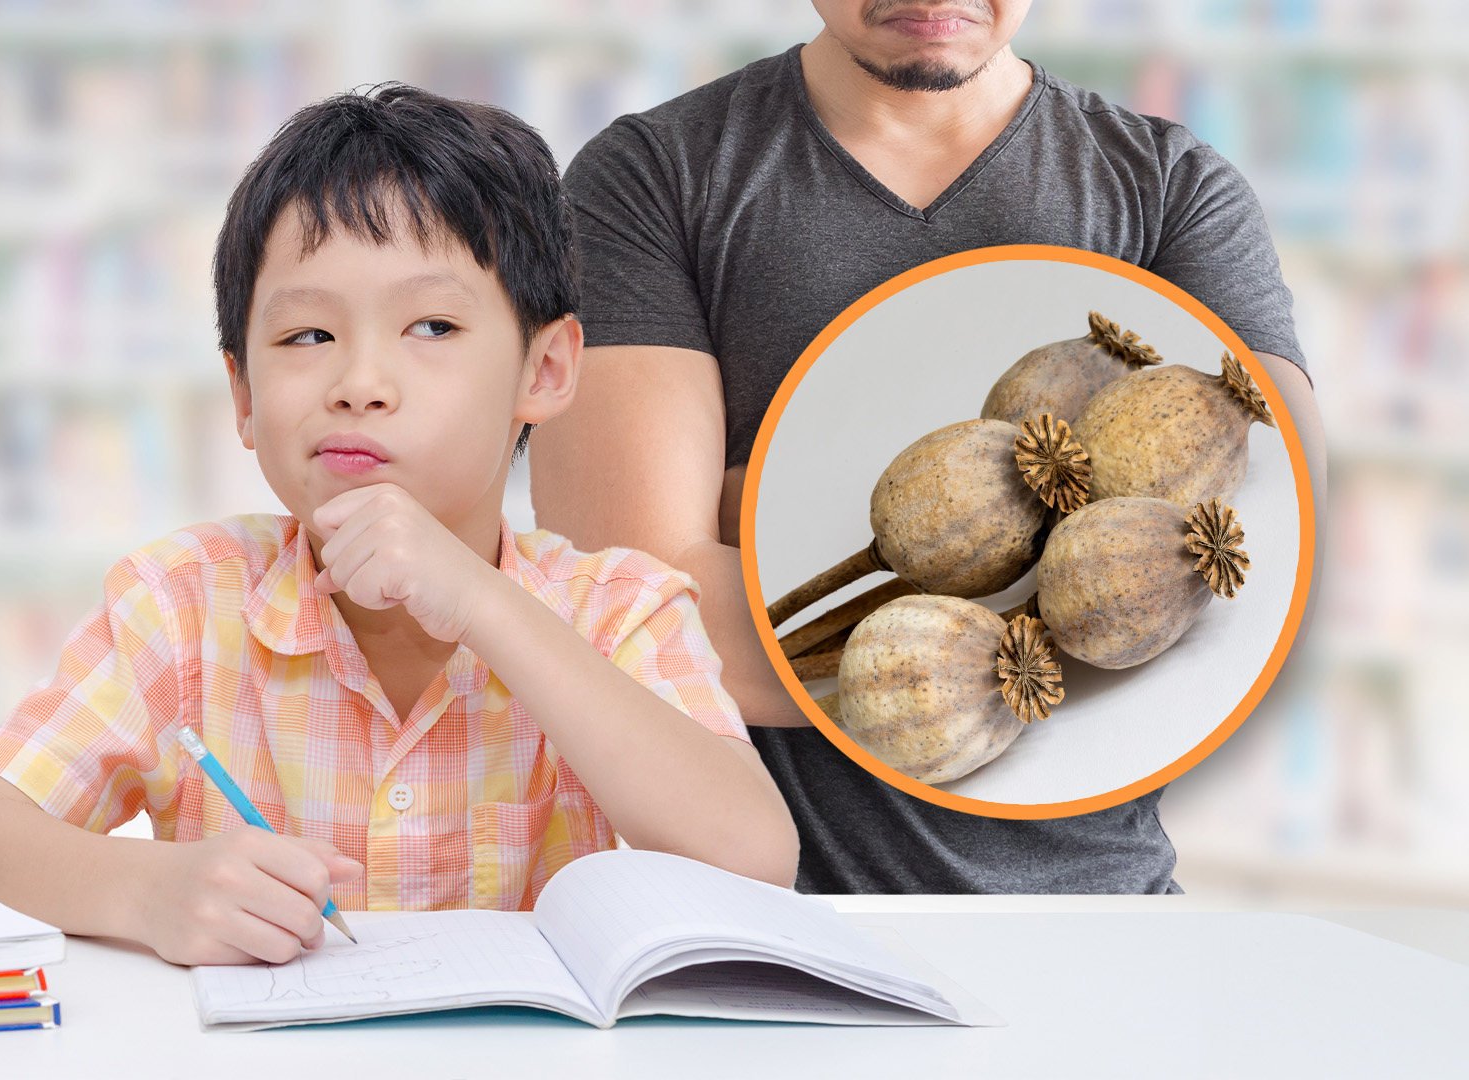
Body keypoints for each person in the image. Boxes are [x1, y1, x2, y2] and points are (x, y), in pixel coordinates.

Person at [0, 85, 798, 966]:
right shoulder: (184, 604)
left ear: (548, 367)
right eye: (306, 337)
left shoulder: (618, 608)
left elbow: (754, 859)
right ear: (244, 396)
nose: (360, 382)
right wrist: (152, 891)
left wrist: (484, 604)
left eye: (432, 324)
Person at [533, 0, 1328, 893]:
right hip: (769, 939)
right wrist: (1083, 578)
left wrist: (758, 502)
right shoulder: (652, 179)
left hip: (1110, 925)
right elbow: (637, 618)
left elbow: (1272, 562)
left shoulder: (1170, 185)